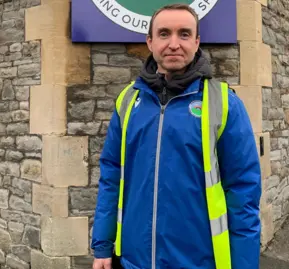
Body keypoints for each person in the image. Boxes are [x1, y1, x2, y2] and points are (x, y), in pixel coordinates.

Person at [91, 3, 261, 269]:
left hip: (198, 261)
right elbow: (111, 176)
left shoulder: (223, 103)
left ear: (196, 41)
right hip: (135, 261)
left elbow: (243, 192)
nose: (173, 43)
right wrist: (102, 246)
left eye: (183, 34)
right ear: (149, 42)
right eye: (164, 33)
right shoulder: (127, 101)